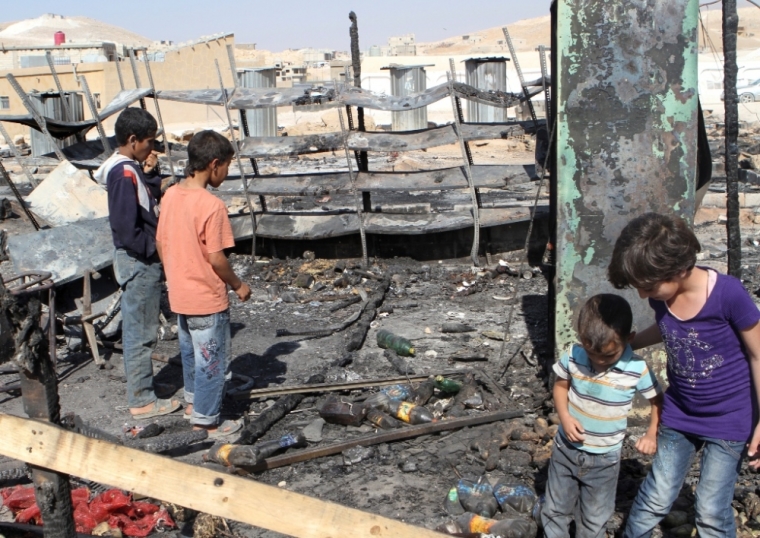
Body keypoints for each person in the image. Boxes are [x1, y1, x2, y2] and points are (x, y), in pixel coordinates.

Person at [608, 212, 760, 538]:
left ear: (679, 270)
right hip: (680, 412)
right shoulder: (665, 297)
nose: (643, 296)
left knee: (710, 509)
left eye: (647, 287)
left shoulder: (728, 295)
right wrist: (630, 344)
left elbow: (758, 354)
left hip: (730, 419)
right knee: (656, 495)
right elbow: (671, 331)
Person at [155, 130, 251, 438]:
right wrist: (237, 285)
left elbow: (160, 242)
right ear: (214, 164)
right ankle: (206, 422)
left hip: (180, 294)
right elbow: (216, 258)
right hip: (207, 298)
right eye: (226, 166)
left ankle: (193, 404)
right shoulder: (212, 206)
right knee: (213, 362)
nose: (226, 172)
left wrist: (175, 273)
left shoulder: (170, 195)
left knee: (190, 354)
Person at [542, 294, 662, 538]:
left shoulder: (636, 368)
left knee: (595, 518)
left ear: (629, 339)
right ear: (580, 337)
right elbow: (560, 386)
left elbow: (658, 402)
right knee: (555, 509)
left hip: (605, 457)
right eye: (591, 353)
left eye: (608, 356)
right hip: (566, 448)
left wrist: (652, 433)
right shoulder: (574, 354)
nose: (598, 362)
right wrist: (564, 416)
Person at [95, 107, 180, 420]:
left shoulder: (130, 168)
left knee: (140, 329)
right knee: (140, 333)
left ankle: (142, 394)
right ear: (132, 140)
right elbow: (125, 227)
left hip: (141, 258)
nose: (151, 148)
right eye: (148, 142)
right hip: (139, 260)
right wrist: (153, 250)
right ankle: (143, 400)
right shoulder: (123, 173)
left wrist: (157, 182)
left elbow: (142, 199)